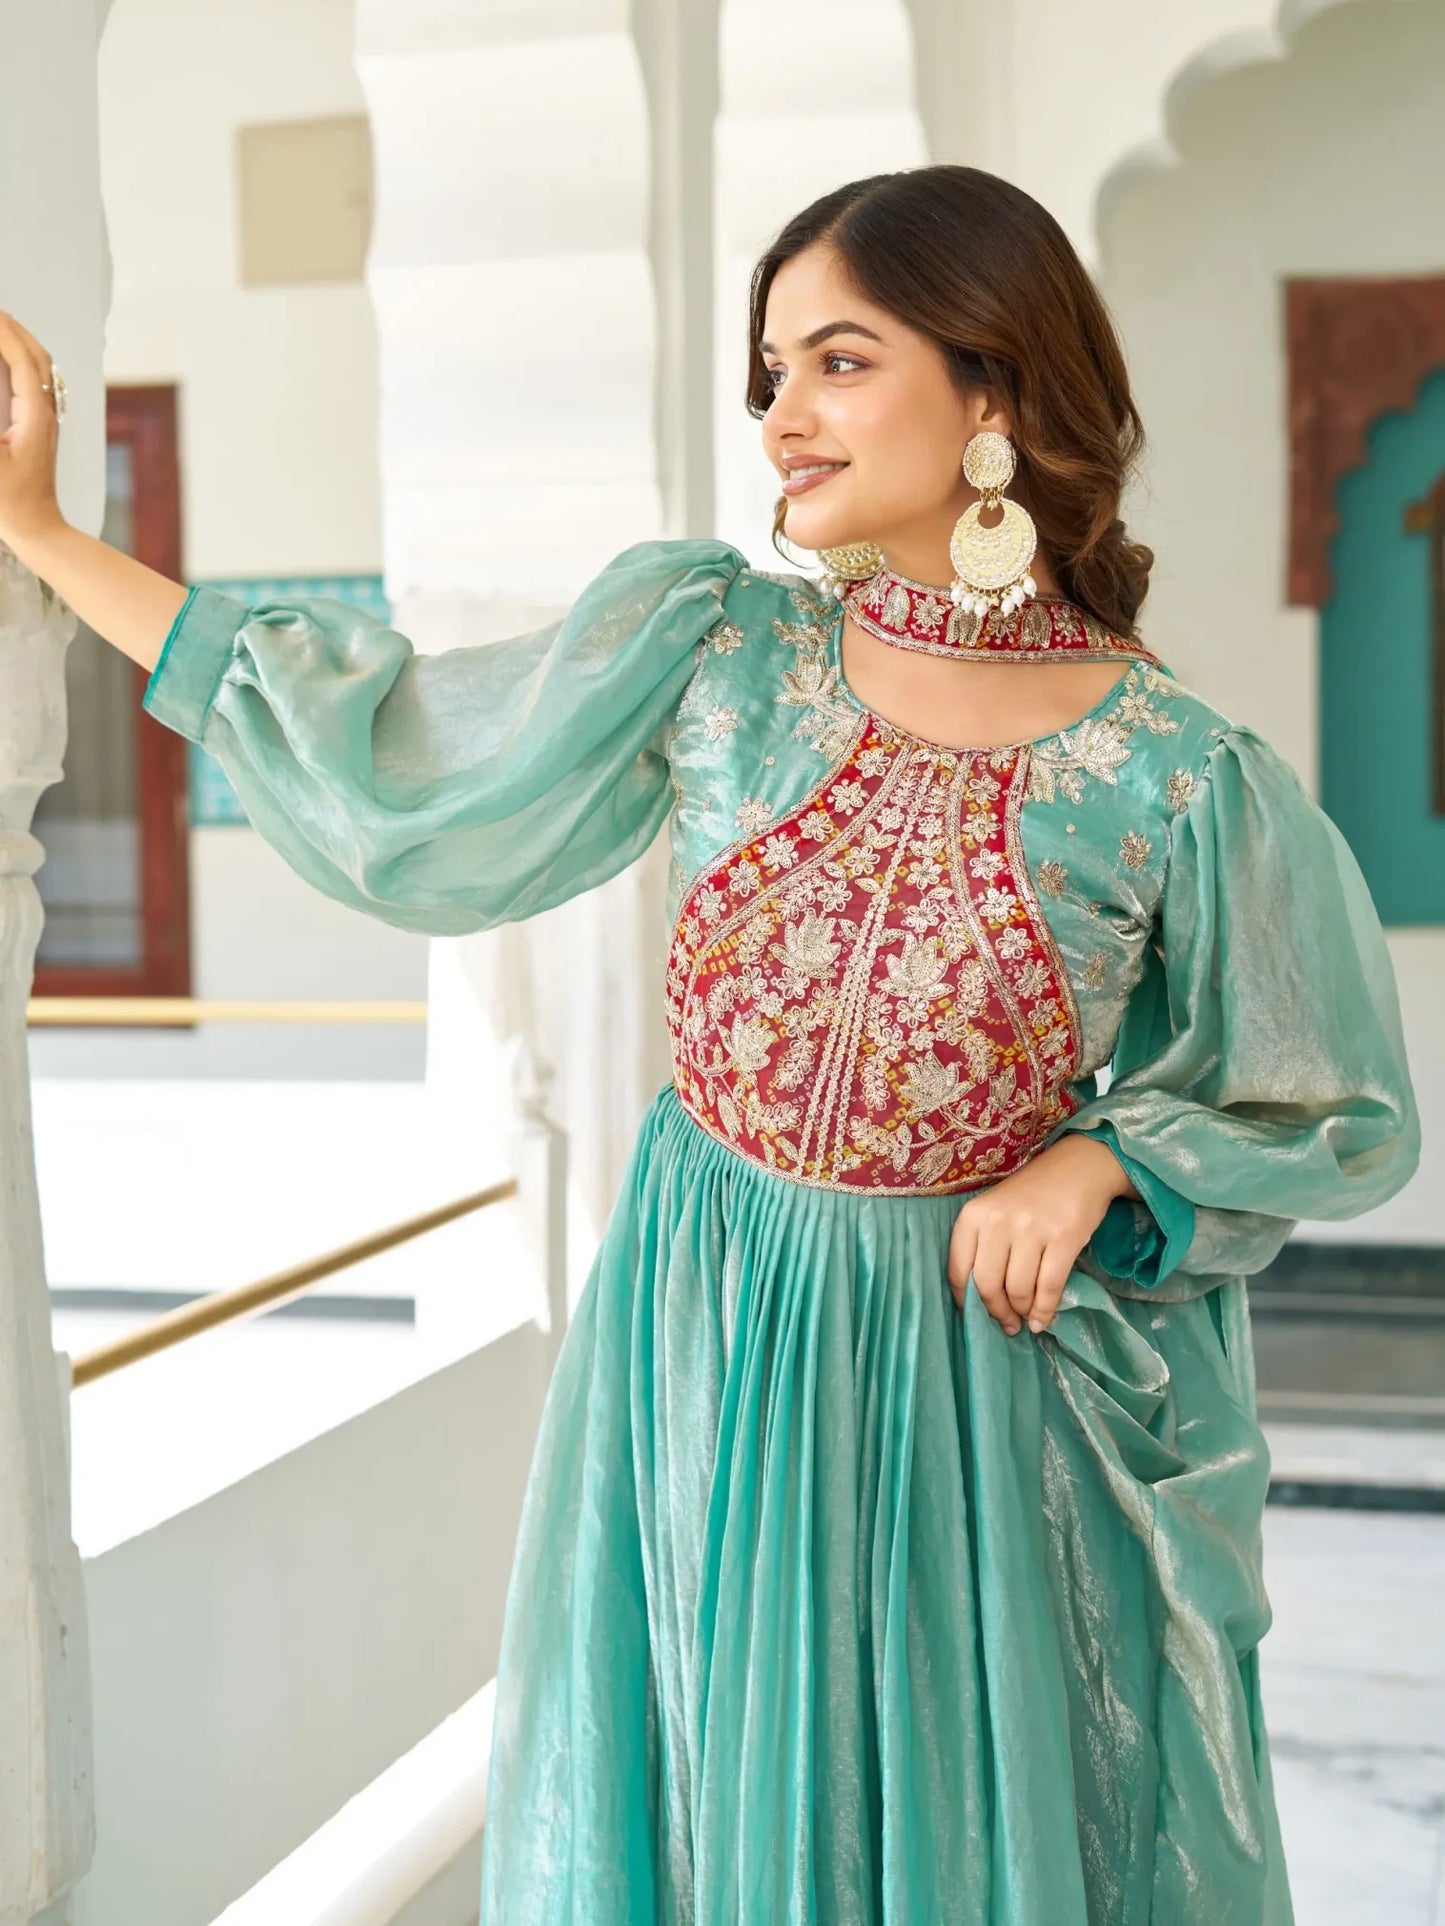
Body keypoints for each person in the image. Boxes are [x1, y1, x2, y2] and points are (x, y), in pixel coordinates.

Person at [0, 165, 1419, 1924]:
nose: (780, 417)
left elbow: (1324, 1094)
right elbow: (394, 762)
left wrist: (1102, 1152)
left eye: (836, 361)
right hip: (697, 1337)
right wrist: (50, 536)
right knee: (692, 1797)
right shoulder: (723, 655)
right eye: (768, 373)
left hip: (967, 1409)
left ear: (991, 392)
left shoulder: (1176, 775)